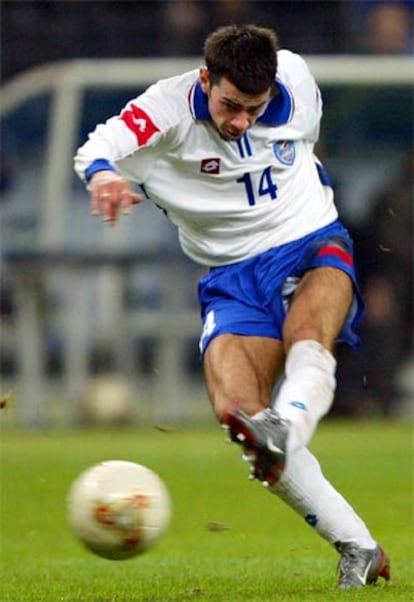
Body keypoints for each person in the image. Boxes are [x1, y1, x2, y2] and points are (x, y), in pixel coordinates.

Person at [74, 24, 390, 589]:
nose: (241, 120)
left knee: (308, 336)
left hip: (310, 239)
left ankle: (287, 426)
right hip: (230, 276)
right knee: (240, 419)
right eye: (229, 106)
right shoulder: (164, 111)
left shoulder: (296, 78)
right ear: (205, 79)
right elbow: (98, 147)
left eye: (254, 108)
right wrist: (104, 177)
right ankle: (359, 546)